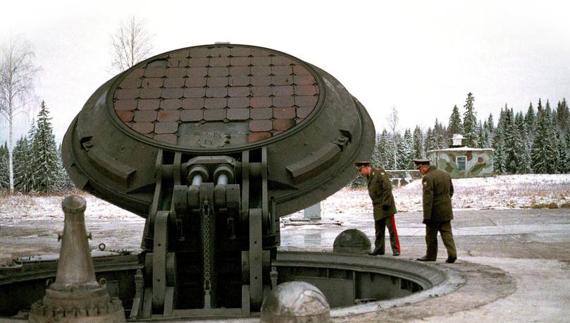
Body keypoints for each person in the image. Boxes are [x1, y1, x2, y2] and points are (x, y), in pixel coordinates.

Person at [413, 159, 457, 263]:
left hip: (434, 212)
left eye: (420, 168)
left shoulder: (427, 177)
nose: (420, 171)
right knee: (447, 234)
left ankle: (430, 256)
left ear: (425, 166)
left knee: (430, 236)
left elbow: (428, 200)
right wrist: (445, 202)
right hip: (446, 210)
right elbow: (451, 191)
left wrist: (426, 217)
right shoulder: (445, 174)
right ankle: (452, 254)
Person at [355, 161, 400, 256]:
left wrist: (386, 203)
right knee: (379, 229)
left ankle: (396, 250)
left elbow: (387, 187)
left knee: (391, 229)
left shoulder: (379, 173)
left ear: (366, 167)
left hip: (386, 206)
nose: (360, 173)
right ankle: (379, 249)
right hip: (377, 207)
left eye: (360, 170)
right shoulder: (370, 176)